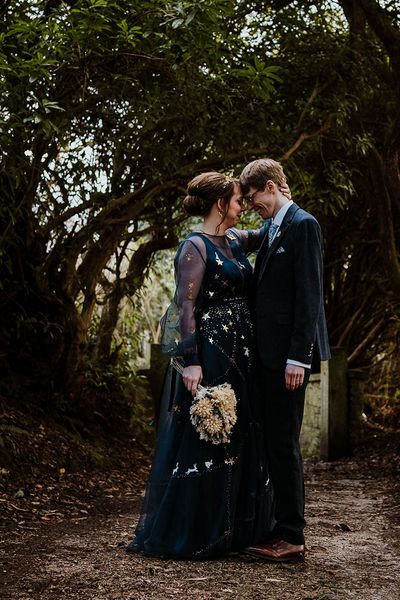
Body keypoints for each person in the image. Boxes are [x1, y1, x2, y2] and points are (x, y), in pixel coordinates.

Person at [127, 172, 277, 559]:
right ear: (220, 204)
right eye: (239, 200)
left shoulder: (233, 239)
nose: (243, 206)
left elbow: (267, 233)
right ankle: (198, 531)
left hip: (243, 351)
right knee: (210, 434)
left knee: (240, 433)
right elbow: (186, 307)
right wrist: (191, 363)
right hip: (213, 352)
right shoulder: (194, 247)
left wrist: (282, 203)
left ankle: (233, 530)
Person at [240, 158, 331, 563]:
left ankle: (292, 536)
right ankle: (278, 527)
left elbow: (309, 296)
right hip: (270, 356)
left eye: (254, 195)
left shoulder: (303, 225)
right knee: (273, 442)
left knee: (283, 444)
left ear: (272, 186)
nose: (251, 203)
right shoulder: (275, 226)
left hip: (289, 359)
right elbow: (253, 237)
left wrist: (299, 356)